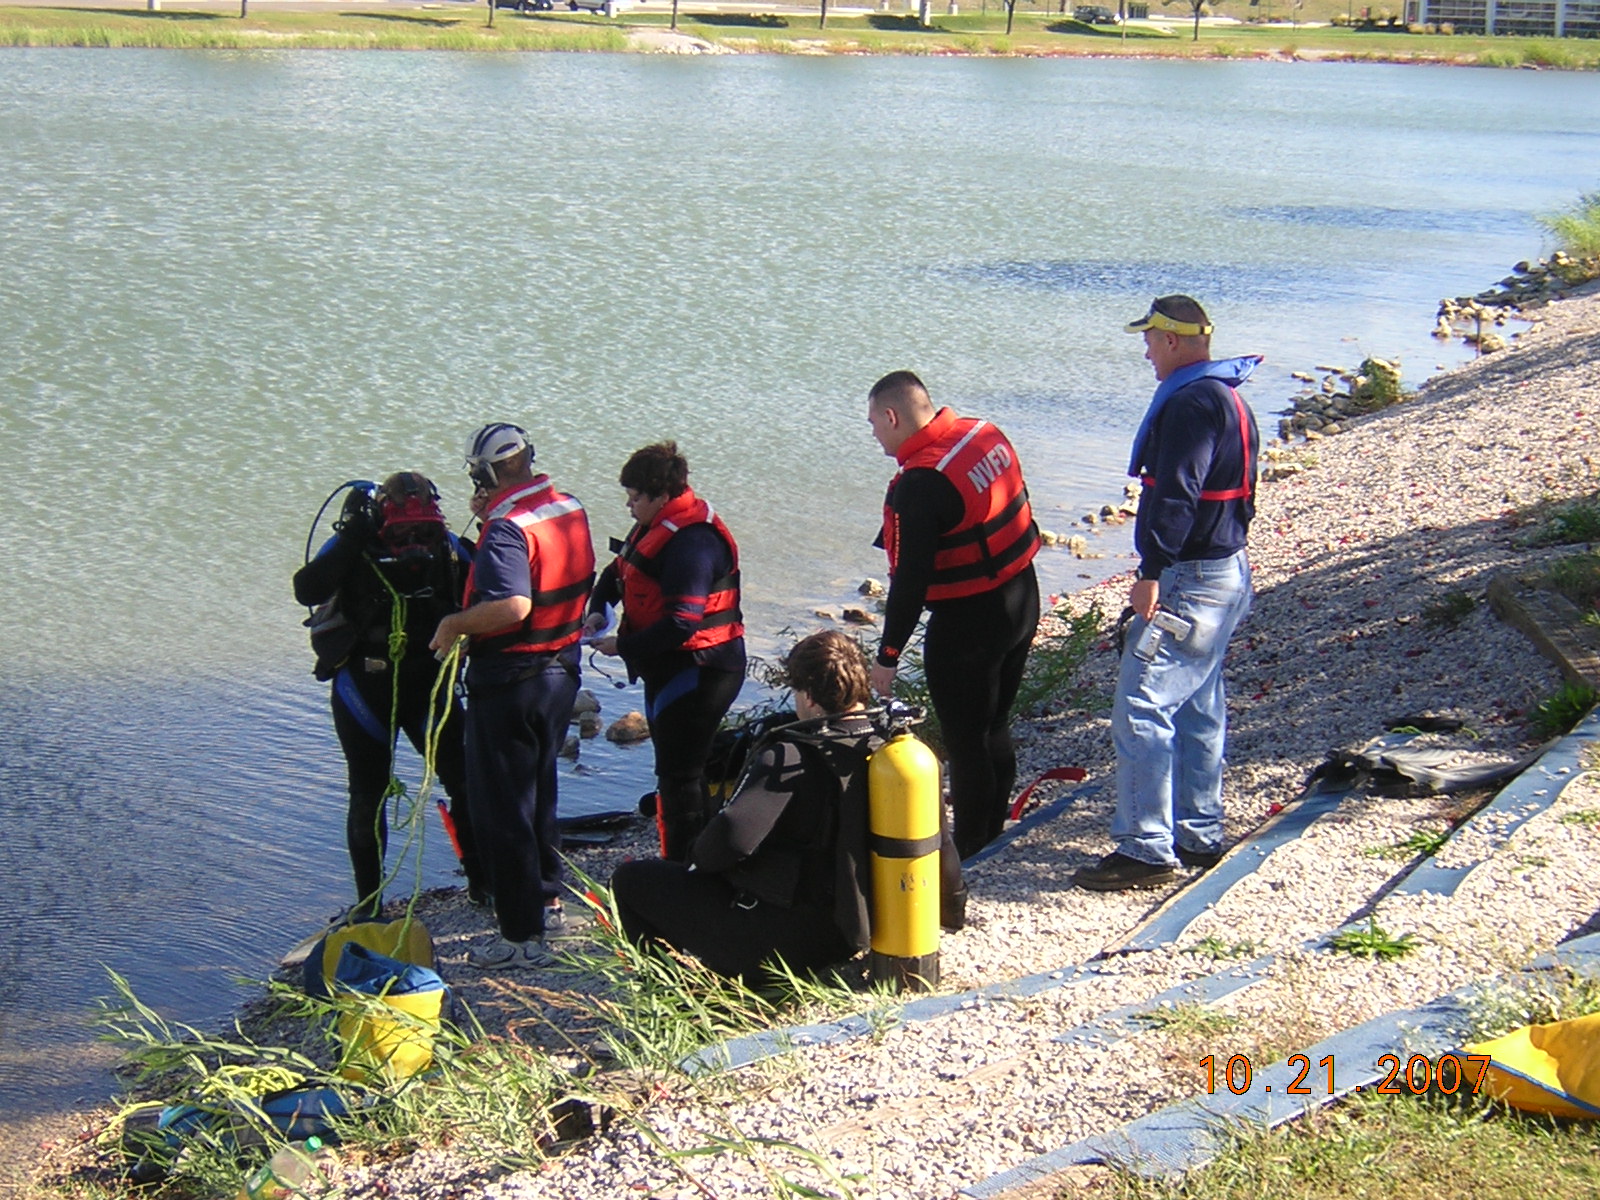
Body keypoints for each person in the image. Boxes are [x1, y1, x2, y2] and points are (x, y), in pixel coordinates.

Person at [1073, 295, 1261, 892]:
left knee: (1142, 706)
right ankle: (1198, 832)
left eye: (1150, 339)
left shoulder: (1189, 404)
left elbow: (1177, 491)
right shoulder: (1231, 396)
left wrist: (1151, 569)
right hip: (1227, 569)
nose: (1146, 350)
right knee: (1200, 704)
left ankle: (1145, 847)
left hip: (1190, 578)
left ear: (1174, 340)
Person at [608, 630, 876, 981]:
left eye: (795, 689)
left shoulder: (790, 755)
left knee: (630, 881)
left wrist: (696, 859)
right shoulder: (894, 749)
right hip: (856, 931)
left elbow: (728, 843)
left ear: (809, 697)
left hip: (787, 944)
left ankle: (670, 989)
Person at [429, 423, 595, 968]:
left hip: (512, 680)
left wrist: (455, 623)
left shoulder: (506, 528)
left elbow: (513, 605)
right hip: (559, 674)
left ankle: (520, 937)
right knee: (540, 792)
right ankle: (546, 900)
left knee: (503, 809)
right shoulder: (566, 505)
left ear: (487, 471)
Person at [865, 371, 1041, 863]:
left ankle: (971, 849)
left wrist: (887, 656)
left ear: (893, 416)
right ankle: (994, 828)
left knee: (964, 740)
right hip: (1022, 594)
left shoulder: (921, 482)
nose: (874, 434)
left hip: (970, 621)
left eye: (874, 423)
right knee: (995, 723)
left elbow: (911, 582)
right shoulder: (980, 433)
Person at [293, 472, 484, 920]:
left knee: (369, 793)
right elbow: (485, 587)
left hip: (366, 687)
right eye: (404, 531)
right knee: (462, 783)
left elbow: (307, 589)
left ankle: (371, 905)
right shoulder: (448, 546)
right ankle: (482, 884)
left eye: (421, 531)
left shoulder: (362, 544)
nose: (413, 540)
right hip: (423, 687)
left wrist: (354, 533)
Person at [585, 441, 746, 862]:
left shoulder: (692, 544)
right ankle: (693, 854)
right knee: (675, 770)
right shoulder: (654, 527)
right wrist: (597, 611)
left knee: (678, 776)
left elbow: (681, 623)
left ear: (662, 496)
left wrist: (622, 646)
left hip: (703, 668)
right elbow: (615, 572)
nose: (628, 505)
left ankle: (685, 869)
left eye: (635, 497)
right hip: (670, 667)